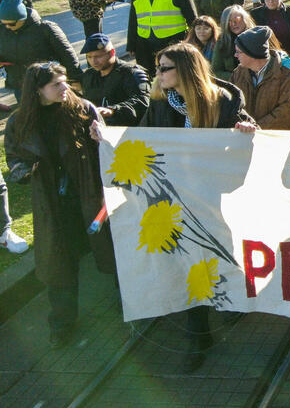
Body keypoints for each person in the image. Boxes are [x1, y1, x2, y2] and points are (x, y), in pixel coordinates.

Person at [138, 42, 256, 371]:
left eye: (164, 68)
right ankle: (198, 336)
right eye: (158, 68)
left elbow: (250, 134)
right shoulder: (160, 105)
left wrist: (246, 129)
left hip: (213, 197)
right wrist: (105, 137)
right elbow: (143, 139)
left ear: (185, 72)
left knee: (219, 253)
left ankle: (231, 298)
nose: (157, 75)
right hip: (175, 200)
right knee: (191, 266)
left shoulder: (223, 101)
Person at [4, 63, 114, 347]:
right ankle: (62, 322)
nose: (65, 88)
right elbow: (14, 157)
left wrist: (99, 138)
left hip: (88, 193)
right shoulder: (20, 121)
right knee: (59, 264)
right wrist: (26, 171)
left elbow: (109, 149)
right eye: (56, 84)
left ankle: (128, 303)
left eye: (65, 82)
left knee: (109, 251)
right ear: (38, 89)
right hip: (52, 203)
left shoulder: (83, 109)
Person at [0, 0, 81, 101]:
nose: (7, 27)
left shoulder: (46, 28)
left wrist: (76, 79)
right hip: (21, 87)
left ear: (22, 17)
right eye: (4, 23)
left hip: (49, 84)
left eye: (11, 23)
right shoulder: (3, 32)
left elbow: (67, 53)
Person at [230, 26, 290, 129]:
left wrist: (257, 127)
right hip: (246, 137)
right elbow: (232, 104)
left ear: (253, 54)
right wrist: (243, 124)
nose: (235, 55)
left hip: (279, 140)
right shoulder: (238, 73)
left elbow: (288, 111)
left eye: (239, 52)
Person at [80, 33, 150, 126]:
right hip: (96, 129)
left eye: (98, 56)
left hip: (126, 130)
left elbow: (143, 101)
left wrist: (113, 110)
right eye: (89, 57)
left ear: (112, 52)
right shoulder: (89, 76)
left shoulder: (131, 73)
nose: (94, 61)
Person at [212, 5, 255, 79]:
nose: (233, 24)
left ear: (245, 18)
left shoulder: (257, 35)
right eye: (229, 22)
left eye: (237, 19)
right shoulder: (222, 41)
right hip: (234, 84)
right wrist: (237, 77)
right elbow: (216, 71)